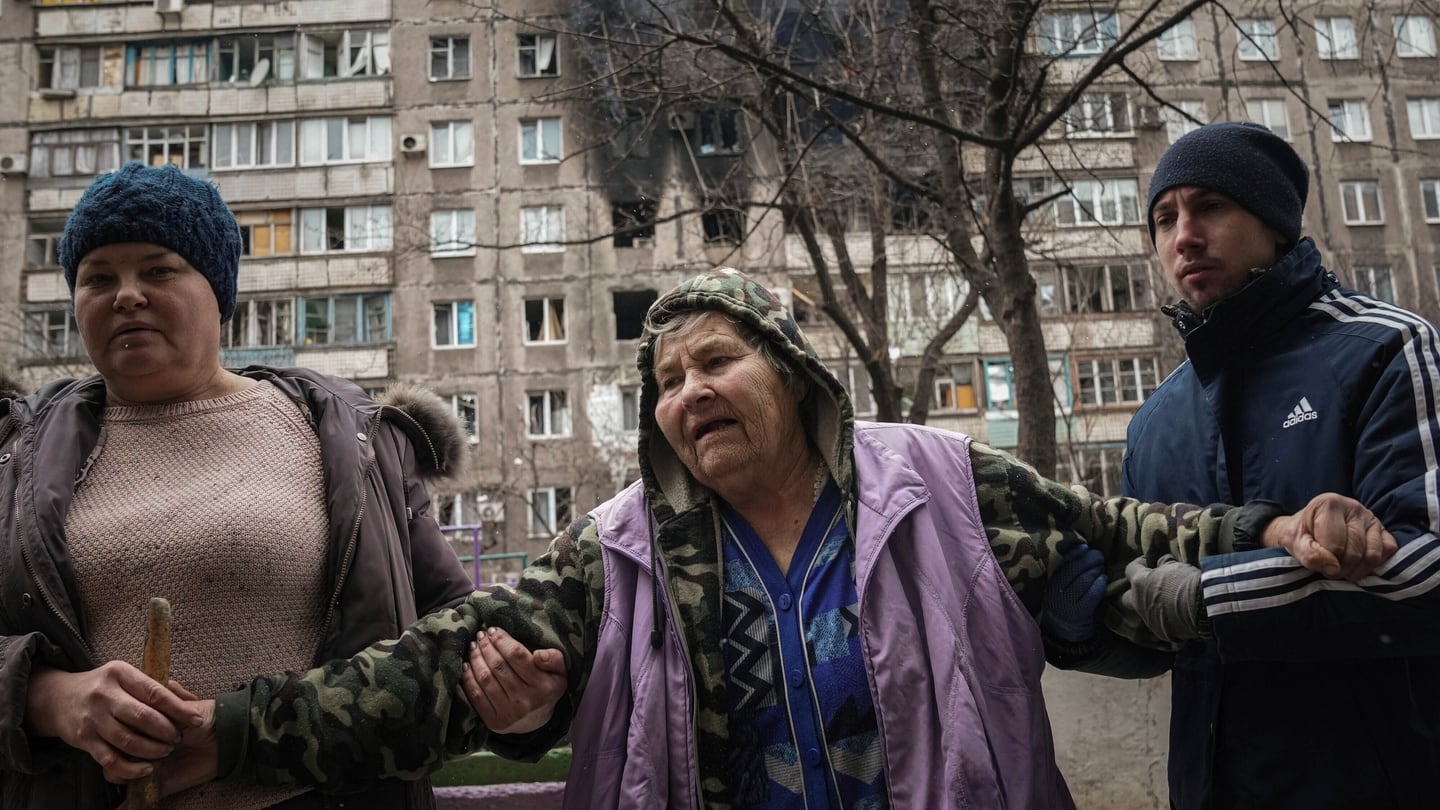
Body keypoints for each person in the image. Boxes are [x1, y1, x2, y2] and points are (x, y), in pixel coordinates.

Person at [163, 268, 1390, 808]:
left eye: (717, 360)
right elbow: (430, 675)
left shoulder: (942, 480)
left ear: (793, 371)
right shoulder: (621, 546)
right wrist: (226, 734)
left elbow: (1120, 532)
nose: (688, 392)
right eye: (667, 379)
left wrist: (1269, 523)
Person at [0, 161, 556, 809]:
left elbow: (456, 641)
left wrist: (526, 703)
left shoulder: (353, 441)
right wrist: (41, 696)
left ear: (219, 292)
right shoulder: (14, 458)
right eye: (98, 277)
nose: (126, 294)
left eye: (158, 269)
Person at [1120, 121, 1440, 808]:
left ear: (1272, 223)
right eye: (1164, 218)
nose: (1185, 237)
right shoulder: (1154, 422)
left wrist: (1209, 598)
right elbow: (1140, 595)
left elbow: (1431, 568)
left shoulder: (1386, 350)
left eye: (1210, 207)